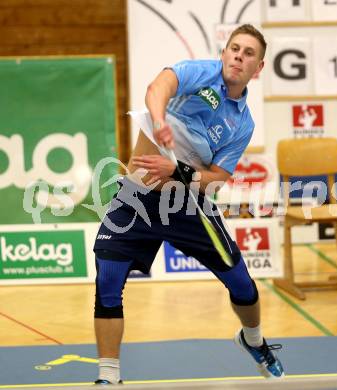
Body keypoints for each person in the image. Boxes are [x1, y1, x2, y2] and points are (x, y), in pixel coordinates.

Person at [93, 24, 284, 385]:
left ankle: (254, 340)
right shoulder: (201, 73)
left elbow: (216, 177)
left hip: (187, 205)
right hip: (135, 197)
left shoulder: (242, 124)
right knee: (107, 282)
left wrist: (176, 169)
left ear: (257, 69)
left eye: (248, 54)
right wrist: (161, 122)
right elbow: (157, 89)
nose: (238, 57)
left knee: (241, 284)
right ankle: (109, 377)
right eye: (234, 49)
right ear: (225, 53)